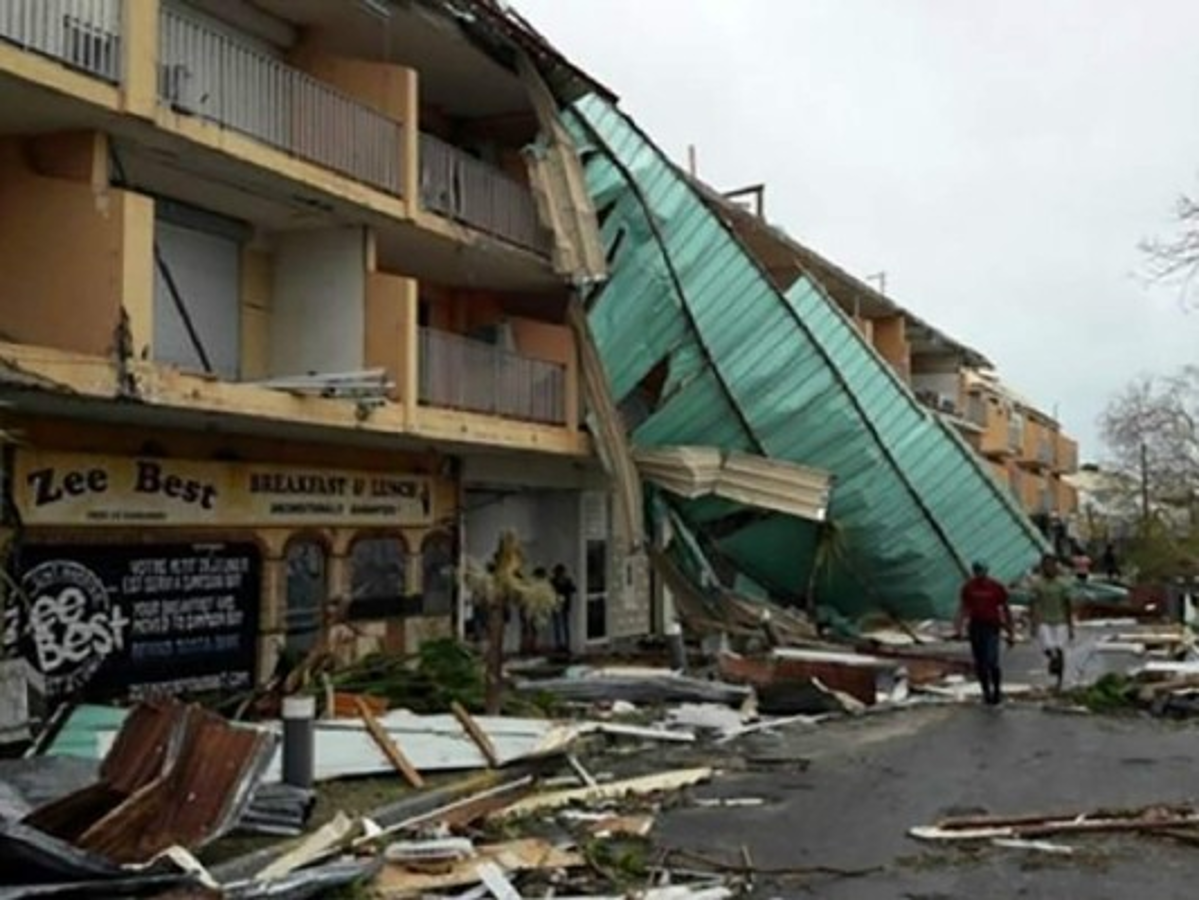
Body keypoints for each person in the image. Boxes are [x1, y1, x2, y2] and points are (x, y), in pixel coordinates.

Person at [956, 561, 1015, 706]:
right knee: (980, 662)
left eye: (981, 570)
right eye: (976, 571)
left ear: (986, 571)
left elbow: (1005, 609)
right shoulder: (968, 588)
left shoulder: (996, 587)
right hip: (976, 626)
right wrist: (958, 626)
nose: (979, 573)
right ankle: (986, 691)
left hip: (992, 626)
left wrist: (1010, 631)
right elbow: (964, 608)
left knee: (992, 660)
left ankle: (996, 690)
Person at [1029, 554, 1075, 691]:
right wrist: (1034, 623)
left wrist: (1071, 626)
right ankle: (1053, 661)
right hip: (1044, 620)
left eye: (1052, 565)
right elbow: (1034, 604)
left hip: (1060, 621)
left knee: (1060, 650)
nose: (1049, 568)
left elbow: (1068, 605)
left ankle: (1059, 680)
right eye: (1046, 565)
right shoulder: (1038, 584)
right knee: (1048, 647)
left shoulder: (1063, 584)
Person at [550, 563, 576, 653]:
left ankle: (566, 645)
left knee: (565, 625)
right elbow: (550, 591)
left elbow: (573, 589)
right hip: (556, 604)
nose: (560, 574)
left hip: (565, 605)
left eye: (561, 572)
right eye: (558, 573)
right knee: (557, 625)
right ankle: (558, 645)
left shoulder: (567, 581)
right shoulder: (552, 581)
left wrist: (567, 587)